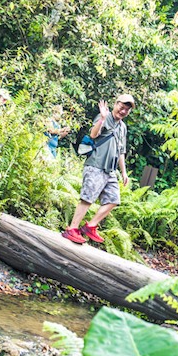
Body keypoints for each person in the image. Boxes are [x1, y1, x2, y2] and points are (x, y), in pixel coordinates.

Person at [62, 93, 134, 244]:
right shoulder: (105, 117)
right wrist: (101, 119)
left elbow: (121, 150)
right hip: (96, 165)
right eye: (122, 107)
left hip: (110, 170)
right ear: (116, 104)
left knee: (113, 199)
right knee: (88, 198)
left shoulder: (123, 127)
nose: (123, 111)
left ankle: (91, 226)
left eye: (127, 109)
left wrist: (124, 172)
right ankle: (72, 229)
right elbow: (93, 135)